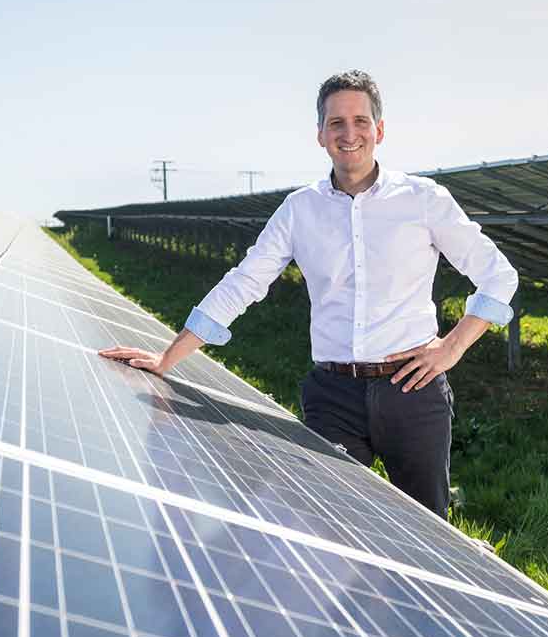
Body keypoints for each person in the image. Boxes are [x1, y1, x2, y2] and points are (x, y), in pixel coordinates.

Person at [100, 70, 517, 519]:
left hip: (412, 392)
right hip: (333, 394)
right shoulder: (300, 209)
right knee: (320, 524)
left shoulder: (422, 199)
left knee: (425, 527)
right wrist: (169, 357)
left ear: (379, 130)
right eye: (336, 122)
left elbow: (499, 277)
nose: (349, 133)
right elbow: (245, 282)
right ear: (320, 134)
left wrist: (453, 347)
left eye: (360, 121)